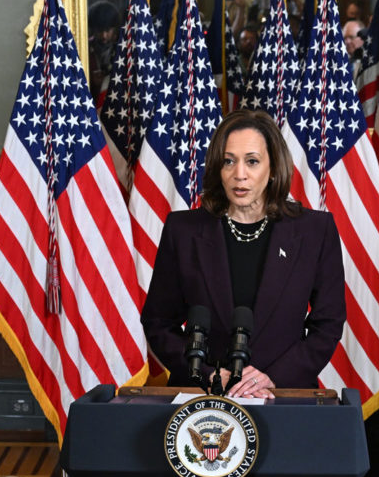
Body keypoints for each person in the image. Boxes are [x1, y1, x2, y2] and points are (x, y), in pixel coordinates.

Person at [141, 109, 347, 401]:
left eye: (252, 161)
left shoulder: (315, 231)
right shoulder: (183, 230)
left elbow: (328, 323)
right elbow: (158, 323)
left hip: (283, 397)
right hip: (203, 398)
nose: (240, 174)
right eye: (229, 161)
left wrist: (273, 377)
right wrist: (209, 374)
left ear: (273, 167)